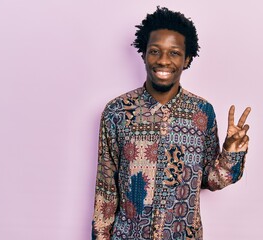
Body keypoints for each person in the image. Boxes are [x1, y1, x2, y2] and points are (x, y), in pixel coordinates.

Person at [92, 6, 251, 240]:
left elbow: (210, 179)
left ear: (186, 59)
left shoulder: (202, 113)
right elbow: (106, 189)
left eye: (174, 53)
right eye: (155, 51)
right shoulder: (117, 112)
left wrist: (231, 154)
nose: (163, 61)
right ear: (144, 54)